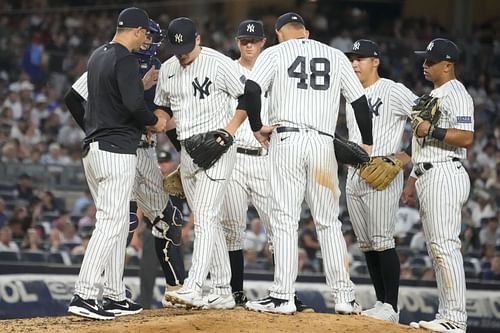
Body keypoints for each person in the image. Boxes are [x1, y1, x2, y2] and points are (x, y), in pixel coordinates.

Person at [242, 12, 373, 315]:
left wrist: (257, 126)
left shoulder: (274, 53)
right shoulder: (336, 55)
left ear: (278, 33)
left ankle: (282, 296)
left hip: (287, 139)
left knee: (286, 220)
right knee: (329, 222)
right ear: (306, 32)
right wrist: (366, 142)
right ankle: (344, 297)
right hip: (324, 144)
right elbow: (359, 102)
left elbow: (251, 90)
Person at [64, 18, 186, 310]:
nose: (148, 42)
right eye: (145, 35)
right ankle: (84, 293)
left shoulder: (99, 56)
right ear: (136, 32)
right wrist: (151, 120)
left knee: (124, 221)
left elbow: (109, 100)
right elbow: (131, 106)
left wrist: (95, 128)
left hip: (111, 147)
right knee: (116, 221)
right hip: (119, 147)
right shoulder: (124, 60)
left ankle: (117, 294)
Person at [157, 17, 247, 309]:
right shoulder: (169, 68)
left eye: (185, 47)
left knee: (206, 217)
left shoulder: (219, 63)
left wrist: (229, 132)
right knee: (210, 220)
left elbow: (249, 96)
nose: (181, 53)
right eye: (176, 48)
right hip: (188, 150)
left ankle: (194, 285)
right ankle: (222, 289)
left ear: (197, 39)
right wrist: (156, 125)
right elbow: (164, 110)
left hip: (218, 147)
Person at [401, 38, 474, 333]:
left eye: (431, 61)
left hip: (446, 172)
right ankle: (447, 314)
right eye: (424, 60)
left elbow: (467, 137)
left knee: (445, 247)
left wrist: (432, 128)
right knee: (436, 249)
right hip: (429, 173)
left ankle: (455, 319)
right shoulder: (434, 95)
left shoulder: (456, 92)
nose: (425, 65)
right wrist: (411, 180)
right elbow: (422, 145)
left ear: (448, 64)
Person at [343, 39, 416, 323]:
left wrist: (404, 156)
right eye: (352, 58)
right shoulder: (351, 93)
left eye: (361, 58)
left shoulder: (392, 90)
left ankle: (392, 306)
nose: (355, 63)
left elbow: (424, 119)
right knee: (367, 244)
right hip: (354, 172)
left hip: (382, 170)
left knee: (383, 241)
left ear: (376, 61)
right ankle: (381, 303)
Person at [216, 19, 271, 307]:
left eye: (253, 40)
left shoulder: (273, 69)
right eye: (243, 40)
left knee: (278, 227)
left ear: (263, 41)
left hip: (266, 158)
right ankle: (235, 291)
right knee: (232, 229)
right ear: (238, 42)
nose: (248, 44)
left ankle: (284, 291)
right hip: (234, 157)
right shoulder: (228, 69)